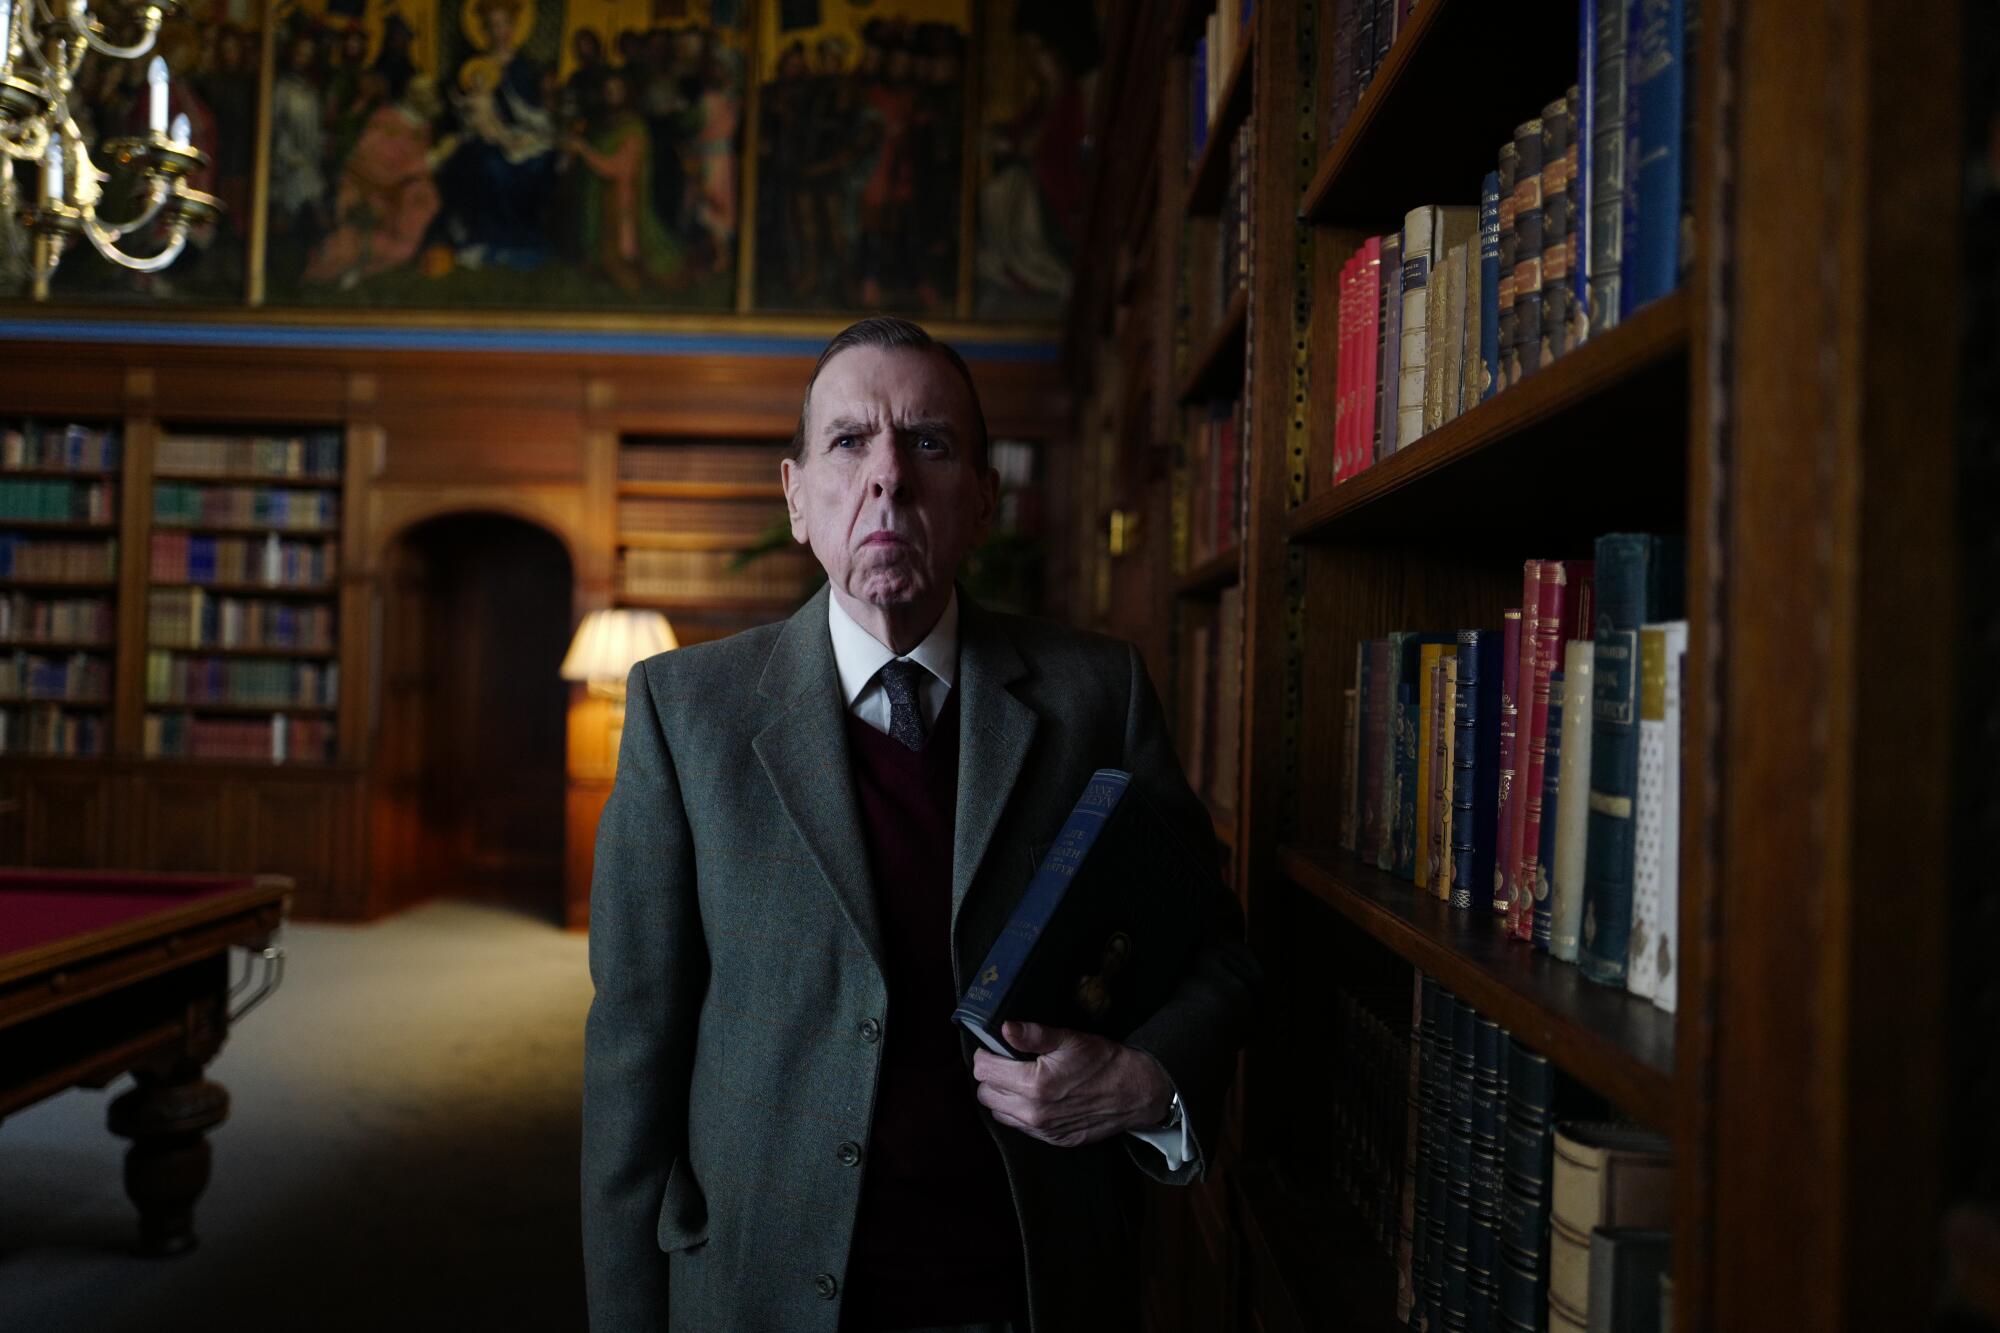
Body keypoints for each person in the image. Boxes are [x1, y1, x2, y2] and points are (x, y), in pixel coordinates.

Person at [581, 317, 1260, 1333]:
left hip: (1022, 1280)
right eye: (849, 442)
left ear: (982, 498)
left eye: (928, 443)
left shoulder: (1094, 695)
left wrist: (1145, 1077)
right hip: (760, 1284)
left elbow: (1217, 949)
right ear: (796, 497)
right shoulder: (685, 714)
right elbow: (633, 1054)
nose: (887, 477)